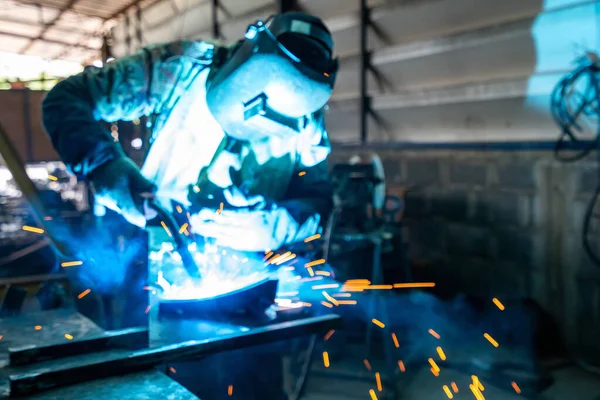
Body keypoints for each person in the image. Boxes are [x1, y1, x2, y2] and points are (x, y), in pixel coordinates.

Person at [43, 12, 338, 253]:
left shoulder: (306, 121)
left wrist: (276, 226)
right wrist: (105, 166)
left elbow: (319, 201)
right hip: (156, 251)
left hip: (250, 273)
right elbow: (67, 98)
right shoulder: (181, 70)